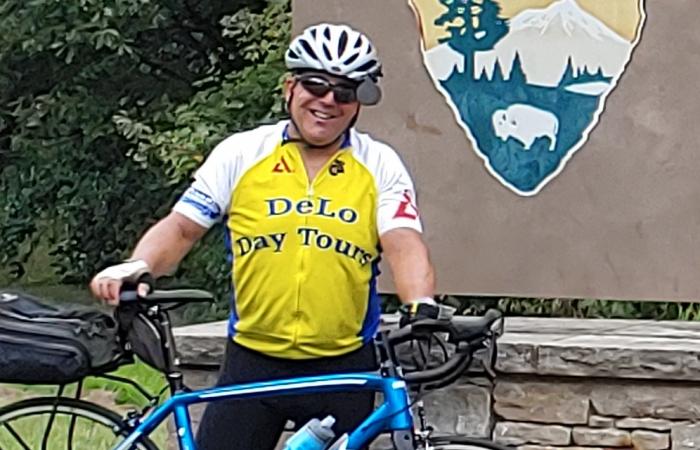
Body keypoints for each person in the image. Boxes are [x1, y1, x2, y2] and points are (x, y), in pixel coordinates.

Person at [90, 23, 435, 450]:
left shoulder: (379, 163)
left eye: (345, 92)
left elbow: (404, 242)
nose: (328, 101)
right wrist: (139, 264)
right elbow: (181, 227)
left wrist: (422, 305)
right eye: (316, 85)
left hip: (342, 366)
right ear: (290, 87)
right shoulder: (243, 152)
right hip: (253, 362)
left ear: (358, 102)